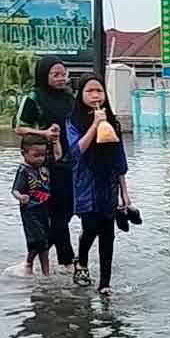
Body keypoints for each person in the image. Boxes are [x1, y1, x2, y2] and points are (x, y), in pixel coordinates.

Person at [66, 74, 130, 294]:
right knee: (91, 226)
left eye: (99, 91)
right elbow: (76, 151)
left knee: (108, 234)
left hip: (108, 182)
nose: (95, 95)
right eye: (89, 91)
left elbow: (119, 160)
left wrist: (125, 194)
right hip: (86, 182)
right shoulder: (73, 122)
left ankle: (105, 283)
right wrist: (95, 124)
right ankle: (81, 261)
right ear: (81, 95)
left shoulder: (114, 123)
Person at [15, 56, 76, 270]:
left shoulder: (69, 97)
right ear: (44, 75)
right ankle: (68, 261)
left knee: (68, 209)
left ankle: (33, 255)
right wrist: (43, 133)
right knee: (58, 211)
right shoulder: (34, 98)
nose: (61, 78)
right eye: (55, 74)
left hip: (69, 158)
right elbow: (20, 128)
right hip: (44, 162)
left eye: (63, 73)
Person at [12, 133, 58, 276]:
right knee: (39, 240)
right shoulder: (24, 171)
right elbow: (15, 190)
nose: (40, 158)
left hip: (44, 208)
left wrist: (56, 140)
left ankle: (35, 266)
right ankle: (39, 269)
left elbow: (58, 155)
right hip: (30, 211)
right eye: (36, 155)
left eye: (43, 155)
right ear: (24, 153)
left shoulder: (43, 167)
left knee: (44, 240)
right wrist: (21, 197)